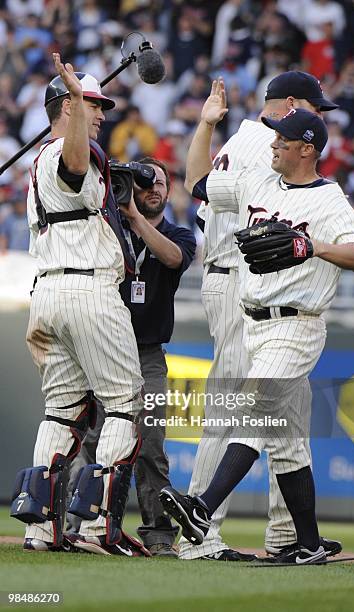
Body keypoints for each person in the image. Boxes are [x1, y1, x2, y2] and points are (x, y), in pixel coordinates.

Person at [160, 79, 354, 564]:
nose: (273, 143)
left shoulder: (328, 199)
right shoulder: (258, 181)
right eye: (275, 137)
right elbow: (197, 182)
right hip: (252, 318)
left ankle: (200, 508)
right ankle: (305, 543)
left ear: (307, 149)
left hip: (296, 323)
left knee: (254, 410)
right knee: (287, 441)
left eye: (283, 140)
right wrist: (204, 125)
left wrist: (314, 245)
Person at [10, 54, 150, 558]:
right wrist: (73, 101)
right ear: (67, 106)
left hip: (48, 293)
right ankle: (96, 528)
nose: (101, 114)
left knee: (63, 413)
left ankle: (41, 527)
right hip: (88, 291)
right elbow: (74, 164)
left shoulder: (41, 160)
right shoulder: (69, 150)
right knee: (124, 406)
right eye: (92, 104)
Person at [67, 157, 196, 556]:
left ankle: (158, 535)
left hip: (148, 355)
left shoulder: (179, 234)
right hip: (105, 350)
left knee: (151, 442)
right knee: (93, 438)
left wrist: (136, 219)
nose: (154, 188)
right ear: (131, 188)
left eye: (160, 182)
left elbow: (174, 258)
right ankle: (79, 524)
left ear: (169, 190)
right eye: (144, 183)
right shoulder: (110, 230)